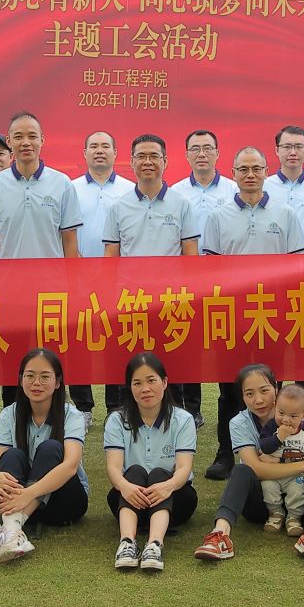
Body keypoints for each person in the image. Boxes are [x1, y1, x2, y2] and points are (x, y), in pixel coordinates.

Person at [199, 145, 304, 478]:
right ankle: (226, 453)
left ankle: (272, 448)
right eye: (243, 169)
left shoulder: (285, 214)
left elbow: (297, 267)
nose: (250, 175)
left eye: (256, 169)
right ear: (233, 173)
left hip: (271, 315)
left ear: (266, 171)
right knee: (229, 389)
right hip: (230, 314)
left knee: (270, 386)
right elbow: (209, 270)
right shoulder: (218, 216)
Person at [192, 370, 304, 565]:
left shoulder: (297, 408)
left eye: (264, 390)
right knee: (241, 470)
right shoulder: (239, 422)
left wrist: (283, 461)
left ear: (276, 388)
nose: (258, 400)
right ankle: (220, 534)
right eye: (249, 394)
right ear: (242, 396)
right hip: (261, 503)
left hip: (302, 497)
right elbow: (256, 469)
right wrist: (303, 464)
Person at [103, 133, 201, 418]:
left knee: (172, 361)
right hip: (130, 300)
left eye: (154, 156)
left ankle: (179, 416)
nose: (148, 162)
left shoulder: (182, 204)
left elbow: (190, 255)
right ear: (131, 161)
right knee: (129, 360)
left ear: (165, 161)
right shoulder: (118, 207)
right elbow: (111, 257)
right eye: (142, 156)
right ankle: (124, 416)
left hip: (171, 300)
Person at [0, 348, 91, 563]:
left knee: (51, 448)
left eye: (45, 377)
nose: (36, 383)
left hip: (64, 501)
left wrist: (28, 494)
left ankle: (10, 526)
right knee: (12, 455)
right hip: (23, 503)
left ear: (58, 382)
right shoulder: (9, 414)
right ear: (21, 379)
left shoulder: (72, 415)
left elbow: (71, 466)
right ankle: (13, 529)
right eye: (30, 376)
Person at [105, 352, 198, 573]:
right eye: (137, 383)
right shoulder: (117, 420)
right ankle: (127, 542)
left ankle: (155, 545)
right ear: (130, 387)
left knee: (158, 473)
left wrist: (168, 486)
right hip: (130, 499)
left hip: (175, 499)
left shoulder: (183, 419)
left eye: (151, 381)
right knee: (134, 471)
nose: (145, 389)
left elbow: (184, 468)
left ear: (164, 383)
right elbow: (114, 468)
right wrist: (125, 486)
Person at [0, 111, 82, 262]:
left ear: (42, 140)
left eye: (32, 136)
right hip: (8, 276)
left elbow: (70, 240)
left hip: (51, 276)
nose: (26, 143)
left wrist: (72, 277)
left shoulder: (62, 183)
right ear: (9, 141)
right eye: (18, 137)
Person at [255, 384, 304, 534]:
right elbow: (265, 447)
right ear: (275, 407)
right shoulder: (271, 427)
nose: (286, 419)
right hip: (273, 472)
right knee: (268, 488)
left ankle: (294, 518)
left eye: (293, 416)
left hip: (297, 473)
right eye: (281, 413)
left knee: (297, 492)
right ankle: (276, 514)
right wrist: (279, 436)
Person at [73, 130, 124, 260]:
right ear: (85, 153)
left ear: (115, 153)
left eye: (105, 146)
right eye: (94, 146)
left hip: (120, 268)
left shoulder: (130, 190)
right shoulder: (71, 188)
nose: (99, 151)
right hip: (78, 267)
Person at [176, 129, 237, 210]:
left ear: (217, 153)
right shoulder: (176, 192)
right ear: (187, 155)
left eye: (207, 148)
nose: (201, 154)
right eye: (195, 149)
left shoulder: (234, 190)